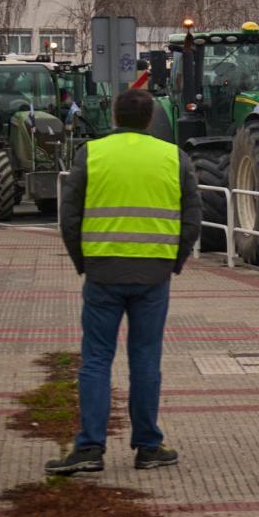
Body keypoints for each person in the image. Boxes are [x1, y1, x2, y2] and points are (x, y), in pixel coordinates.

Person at [47, 87, 200, 475]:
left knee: (96, 359)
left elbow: (69, 216)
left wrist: (83, 262)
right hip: (154, 274)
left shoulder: (91, 154)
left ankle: (89, 448)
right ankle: (148, 447)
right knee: (146, 359)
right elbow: (192, 218)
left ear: (115, 116)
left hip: (103, 272)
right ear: (150, 119)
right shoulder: (174, 157)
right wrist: (174, 262)